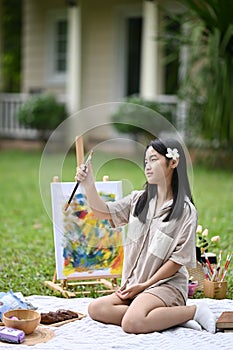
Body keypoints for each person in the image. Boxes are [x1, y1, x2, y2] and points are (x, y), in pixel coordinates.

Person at [75, 137, 216, 334]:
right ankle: (166, 318)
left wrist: (145, 285)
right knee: (96, 308)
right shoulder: (138, 200)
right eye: (145, 161)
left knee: (132, 323)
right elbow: (102, 212)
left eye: (154, 160)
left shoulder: (185, 211)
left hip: (164, 286)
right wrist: (88, 183)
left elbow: (177, 261)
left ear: (173, 163)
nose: (147, 166)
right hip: (135, 285)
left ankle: (192, 311)